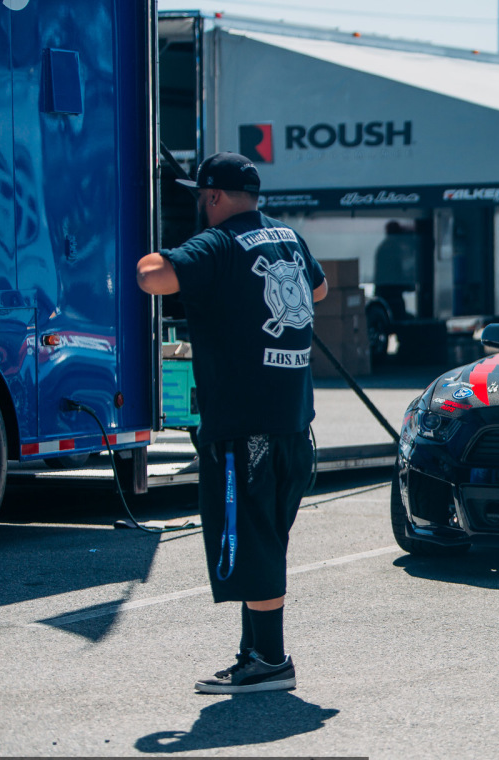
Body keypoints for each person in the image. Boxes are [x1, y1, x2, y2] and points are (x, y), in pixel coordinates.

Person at [136, 152, 327, 694]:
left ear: (214, 197)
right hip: (293, 425)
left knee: (250, 542)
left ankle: (269, 660)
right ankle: (257, 652)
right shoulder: (287, 237)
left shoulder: (216, 243)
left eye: (202, 197)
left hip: (245, 427)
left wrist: (143, 252)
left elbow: (155, 277)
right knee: (264, 540)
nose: (202, 206)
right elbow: (317, 290)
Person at [373, 220, 416, 320]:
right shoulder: (392, 249)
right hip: (391, 294)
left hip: (385, 292)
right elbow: (396, 273)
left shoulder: (383, 247)